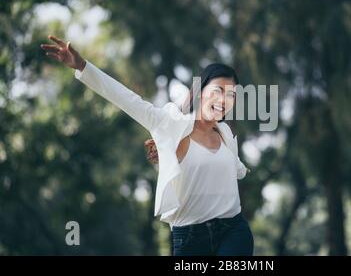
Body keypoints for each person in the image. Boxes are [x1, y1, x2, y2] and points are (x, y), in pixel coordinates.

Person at [41, 35, 254, 256]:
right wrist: (83, 66)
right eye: (218, 91)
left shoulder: (225, 133)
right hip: (190, 237)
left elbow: (237, 170)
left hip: (233, 231)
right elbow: (128, 99)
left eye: (231, 95)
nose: (224, 100)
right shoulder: (171, 124)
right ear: (200, 91)